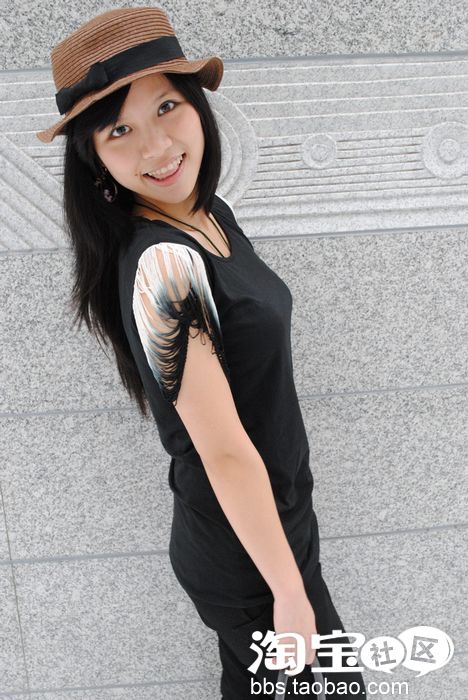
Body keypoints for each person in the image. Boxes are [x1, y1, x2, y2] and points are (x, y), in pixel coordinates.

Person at [36, 6, 367, 699]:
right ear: (94, 157)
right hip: (245, 553)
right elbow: (222, 452)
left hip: (272, 524)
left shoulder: (209, 216)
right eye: (119, 129)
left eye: (167, 107)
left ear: (197, 105)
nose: (156, 147)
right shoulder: (163, 266)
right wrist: (289, 592)